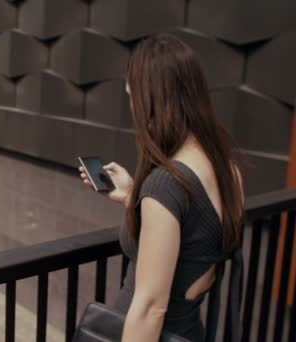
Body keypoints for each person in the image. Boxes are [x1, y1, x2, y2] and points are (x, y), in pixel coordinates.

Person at [79, 34, 244, 342]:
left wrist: (150, 197)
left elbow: (150, 308)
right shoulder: (227, 170)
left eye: (133, 97)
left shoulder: (165, 185)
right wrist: (132, 197)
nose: (133, 110)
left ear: (152, 100)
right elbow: (192, 240)